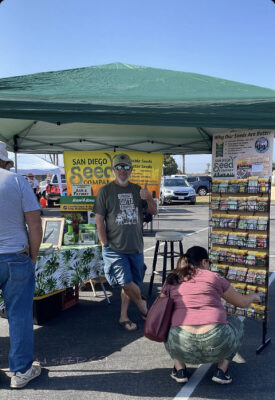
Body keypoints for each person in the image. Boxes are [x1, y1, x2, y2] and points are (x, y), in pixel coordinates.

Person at [161, 246, 261, 385]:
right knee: (236, 322)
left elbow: (162, 306)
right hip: (216, 342)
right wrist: (253, 297)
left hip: (181, 345)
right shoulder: (214, 277)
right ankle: (222, 370)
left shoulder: (173, 277)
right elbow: (241, 302)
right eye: (209, 263)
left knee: (167, 324)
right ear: (204, 262)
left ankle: (179, 369)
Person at [94, 153, 158, 331]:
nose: (123, 170)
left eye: (126, 167)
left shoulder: (138, 190)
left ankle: (123, 316)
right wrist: (104, 243)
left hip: (136, 246)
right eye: (119, 167)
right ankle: (145, 309)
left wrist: (149, 198)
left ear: (131, 169)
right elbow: (99, 220)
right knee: (125, 281)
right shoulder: (105, 191)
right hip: (114, 247)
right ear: (114, 169)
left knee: (132, 284)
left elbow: (154, 212)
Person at [0, 141, 43, 389]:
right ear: (5, 162)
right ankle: (21, 371)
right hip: (15, 256)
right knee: (19, 316)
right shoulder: (17, 181)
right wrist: (32, 257)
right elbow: (34, 225)